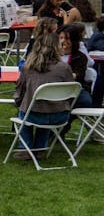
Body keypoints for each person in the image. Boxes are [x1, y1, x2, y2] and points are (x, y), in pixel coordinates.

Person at [13, 28, 76, 159]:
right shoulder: (64, 68)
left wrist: (19, 104)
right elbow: (72, 93)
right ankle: (40, 149)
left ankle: (25, 148)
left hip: (33, 115)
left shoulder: (28, 67)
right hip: (60, 116)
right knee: (46, 106)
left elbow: (20, 91)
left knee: (27, 110)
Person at [59, 25, 94, 108]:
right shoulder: (51, 55)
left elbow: (78, 75)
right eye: (61, 38)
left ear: (74, 40)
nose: (63, 41)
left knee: (85, 101)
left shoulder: (80, 57)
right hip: (52, 87)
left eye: (67, 38)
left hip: (73, 88)